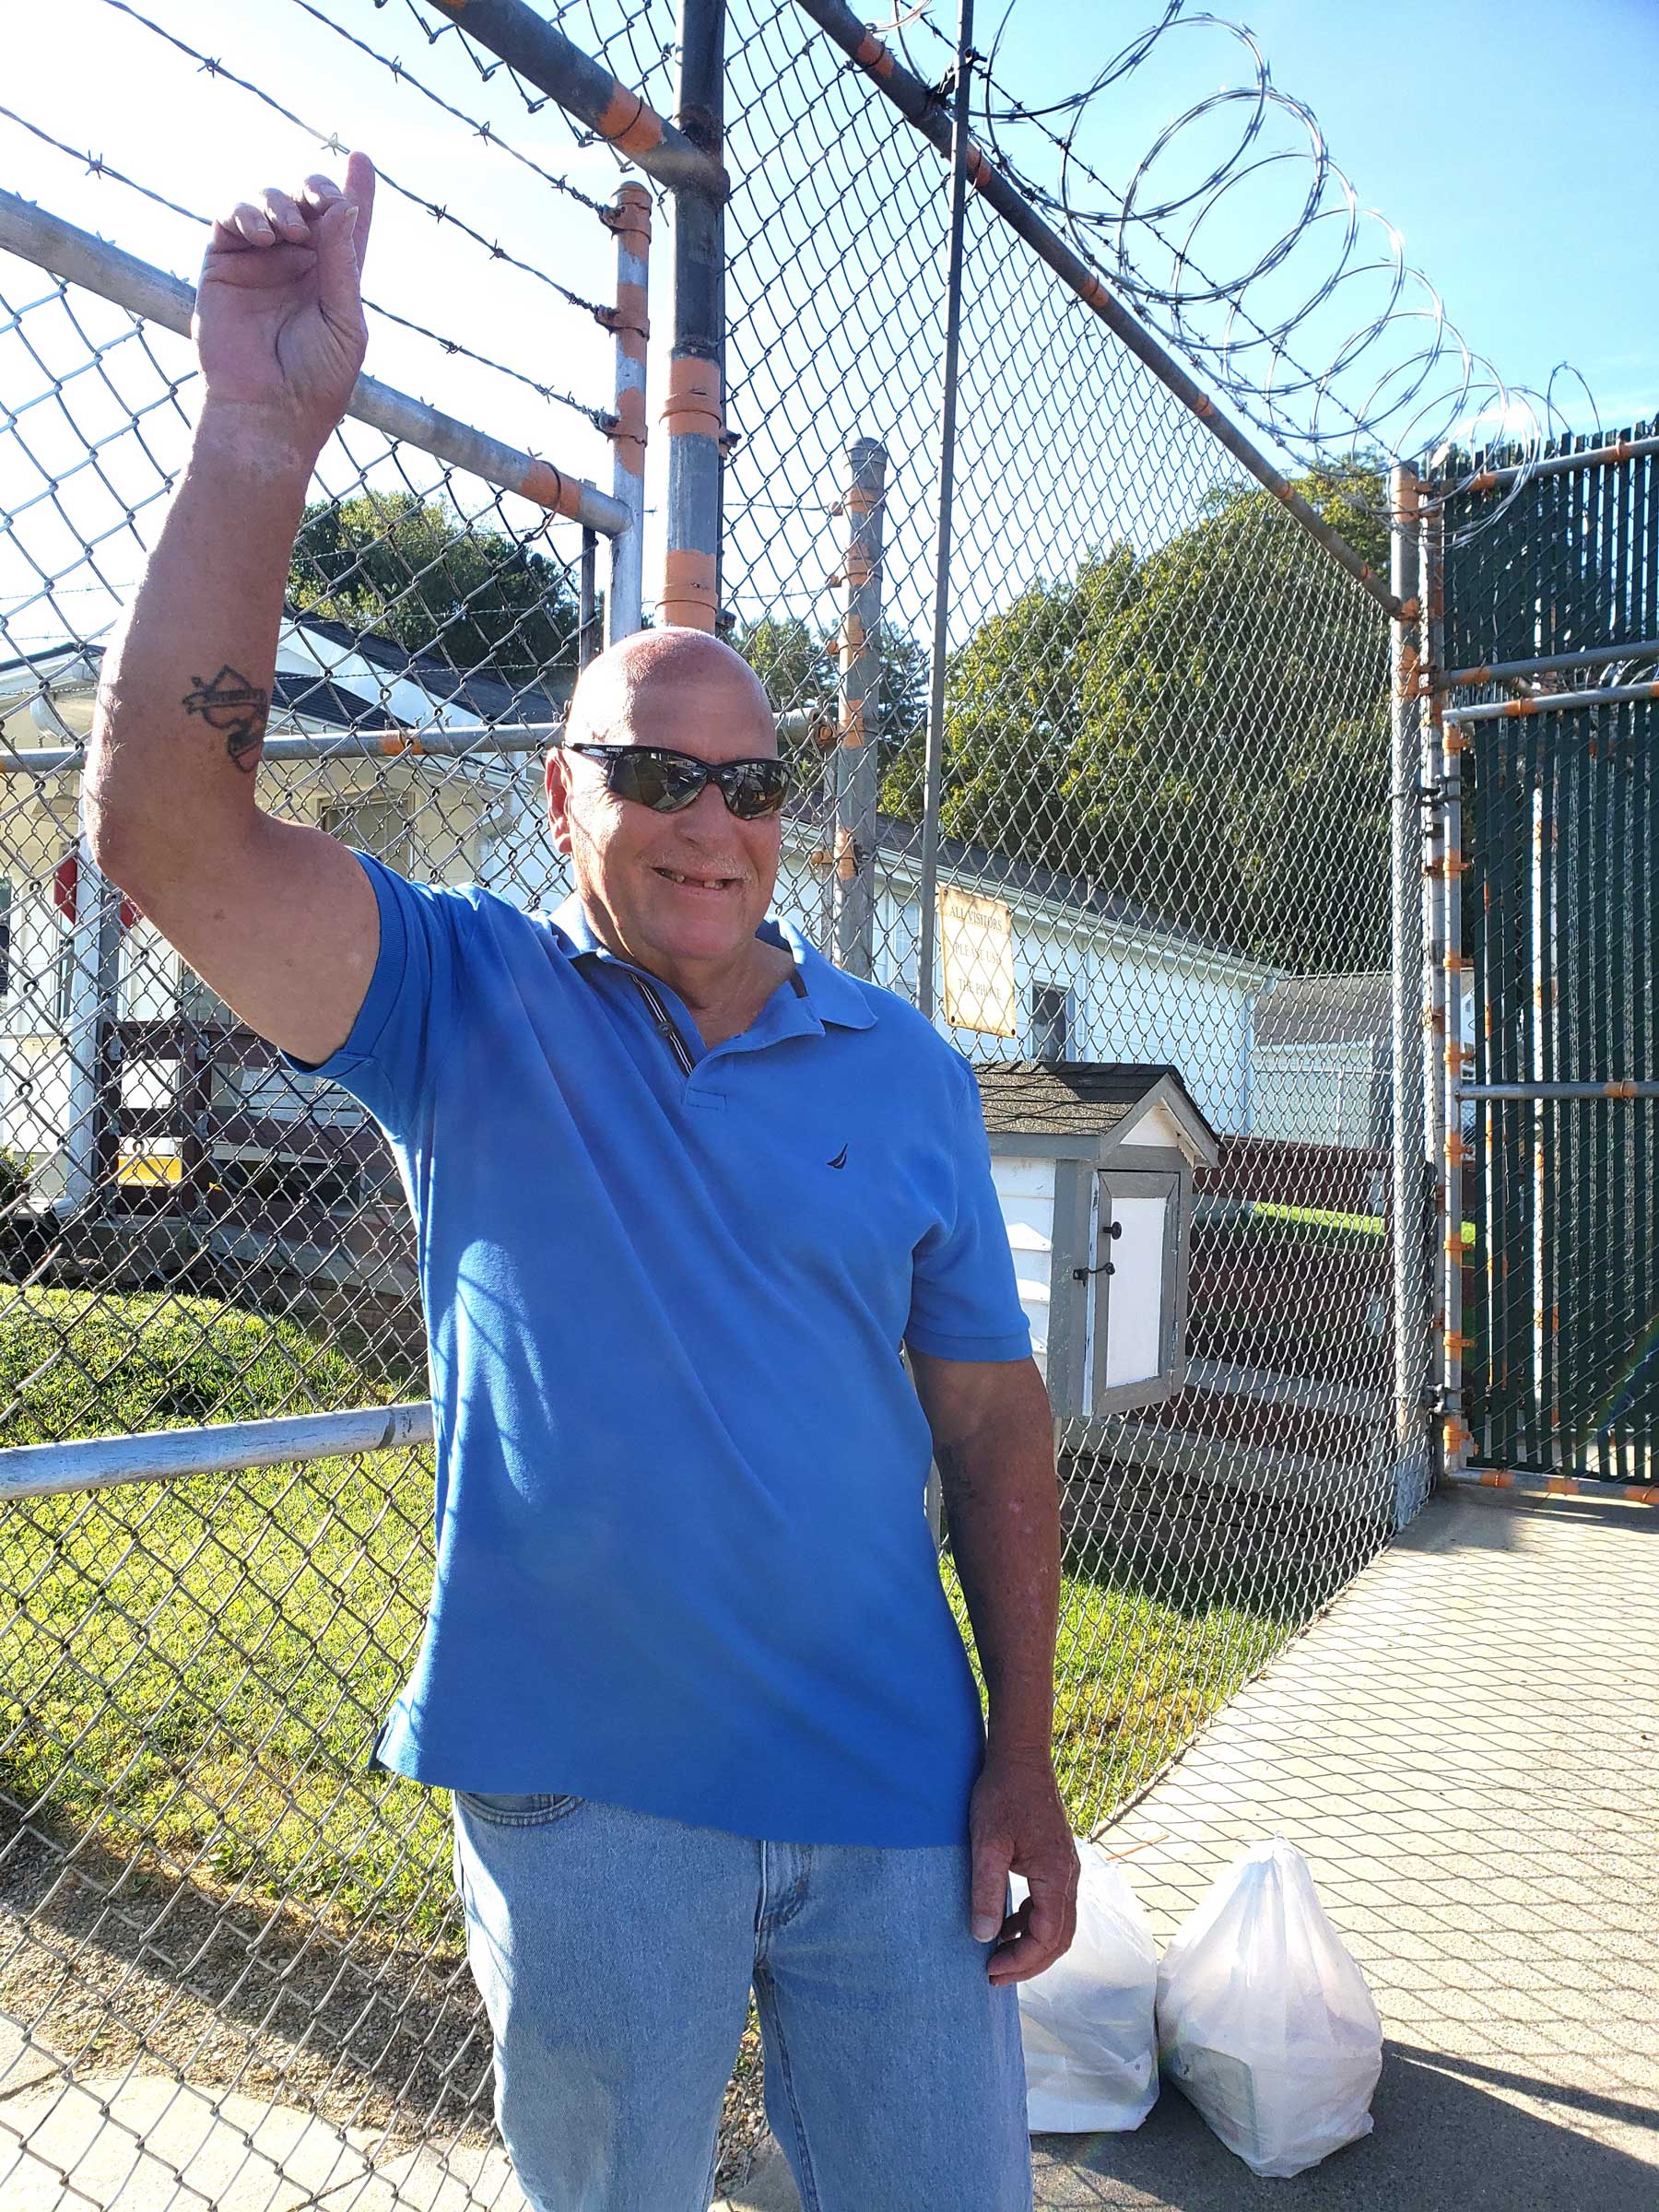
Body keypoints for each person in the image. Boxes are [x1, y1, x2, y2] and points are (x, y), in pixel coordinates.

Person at [87, 154, 1079, 2212]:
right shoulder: (458, 1000)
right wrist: (259, 439)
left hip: (898, 1793)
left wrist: (1025, 1756)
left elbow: (994, 1423)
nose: (712, 823)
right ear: (562, 795)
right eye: (654, 774)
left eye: (752, 782)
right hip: (587, 1806)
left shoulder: (906, 1070)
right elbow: (170, 835)